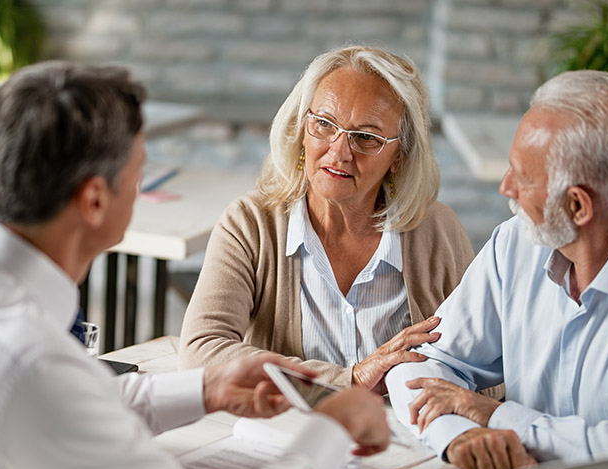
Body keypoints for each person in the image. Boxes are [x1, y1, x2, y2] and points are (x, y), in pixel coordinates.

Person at [0, 61, 393, 469]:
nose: (142, 185)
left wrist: (207, 389)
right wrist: (330, 429)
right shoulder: (33, 364)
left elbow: (76, 401)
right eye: (138, 171)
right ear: (94, 201)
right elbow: (53, 394)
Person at [385, 69, 608, 469]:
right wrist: (459, 435)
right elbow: (417, 366)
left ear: (577, 206)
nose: (505, 187)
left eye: (522, 177)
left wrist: (496, 416)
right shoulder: (516, 244)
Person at [179, 46, 475, 392]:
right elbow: (200, 352)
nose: (339, 152)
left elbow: (485, 369)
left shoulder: (438, 231)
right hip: (289, 435)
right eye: (323, 124)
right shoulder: (250, 225)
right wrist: (348, 380)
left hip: (407, 439)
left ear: (400, 154)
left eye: (366, 137)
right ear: (302, 128)